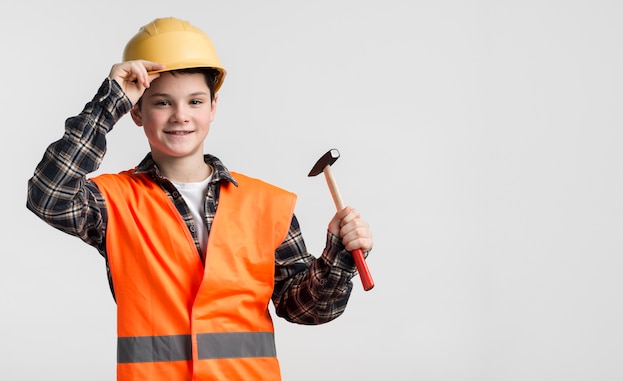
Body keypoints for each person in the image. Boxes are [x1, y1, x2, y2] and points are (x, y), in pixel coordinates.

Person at [26, 16, 373, 381]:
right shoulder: (112, 202)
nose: (181, 116)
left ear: (213, 107)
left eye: (194, 101)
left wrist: (338, 257)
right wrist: (108, 102)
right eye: (162, 103)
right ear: (137, 112)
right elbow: (49, 195)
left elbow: (305, 310)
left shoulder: (267, 204)